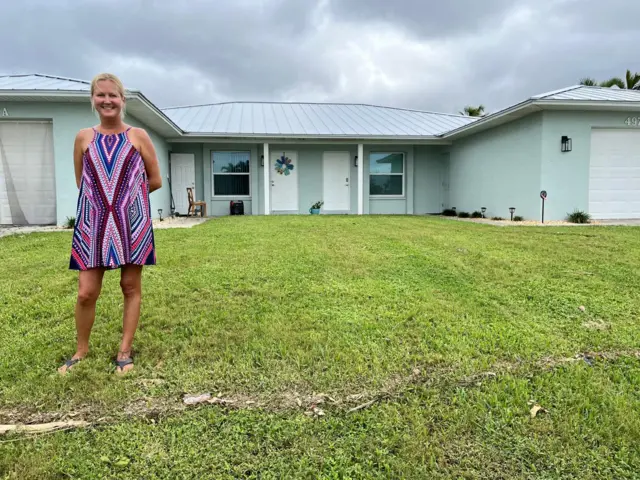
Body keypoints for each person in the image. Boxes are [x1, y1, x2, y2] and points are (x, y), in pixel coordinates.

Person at [59, 73, 162, 375]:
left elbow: (153, 180)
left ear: (122, 100)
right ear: (93, 100)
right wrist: (104, 203)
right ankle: (81, 351)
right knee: (86, 292)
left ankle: (125, 351)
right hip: (94, 224)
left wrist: (126, 200)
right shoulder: (83, 138)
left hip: (131, 223)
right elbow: (84, 182)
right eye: (101, 95)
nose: (107, 101)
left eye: (113, 95)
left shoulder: (138, 136)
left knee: (130, 287)